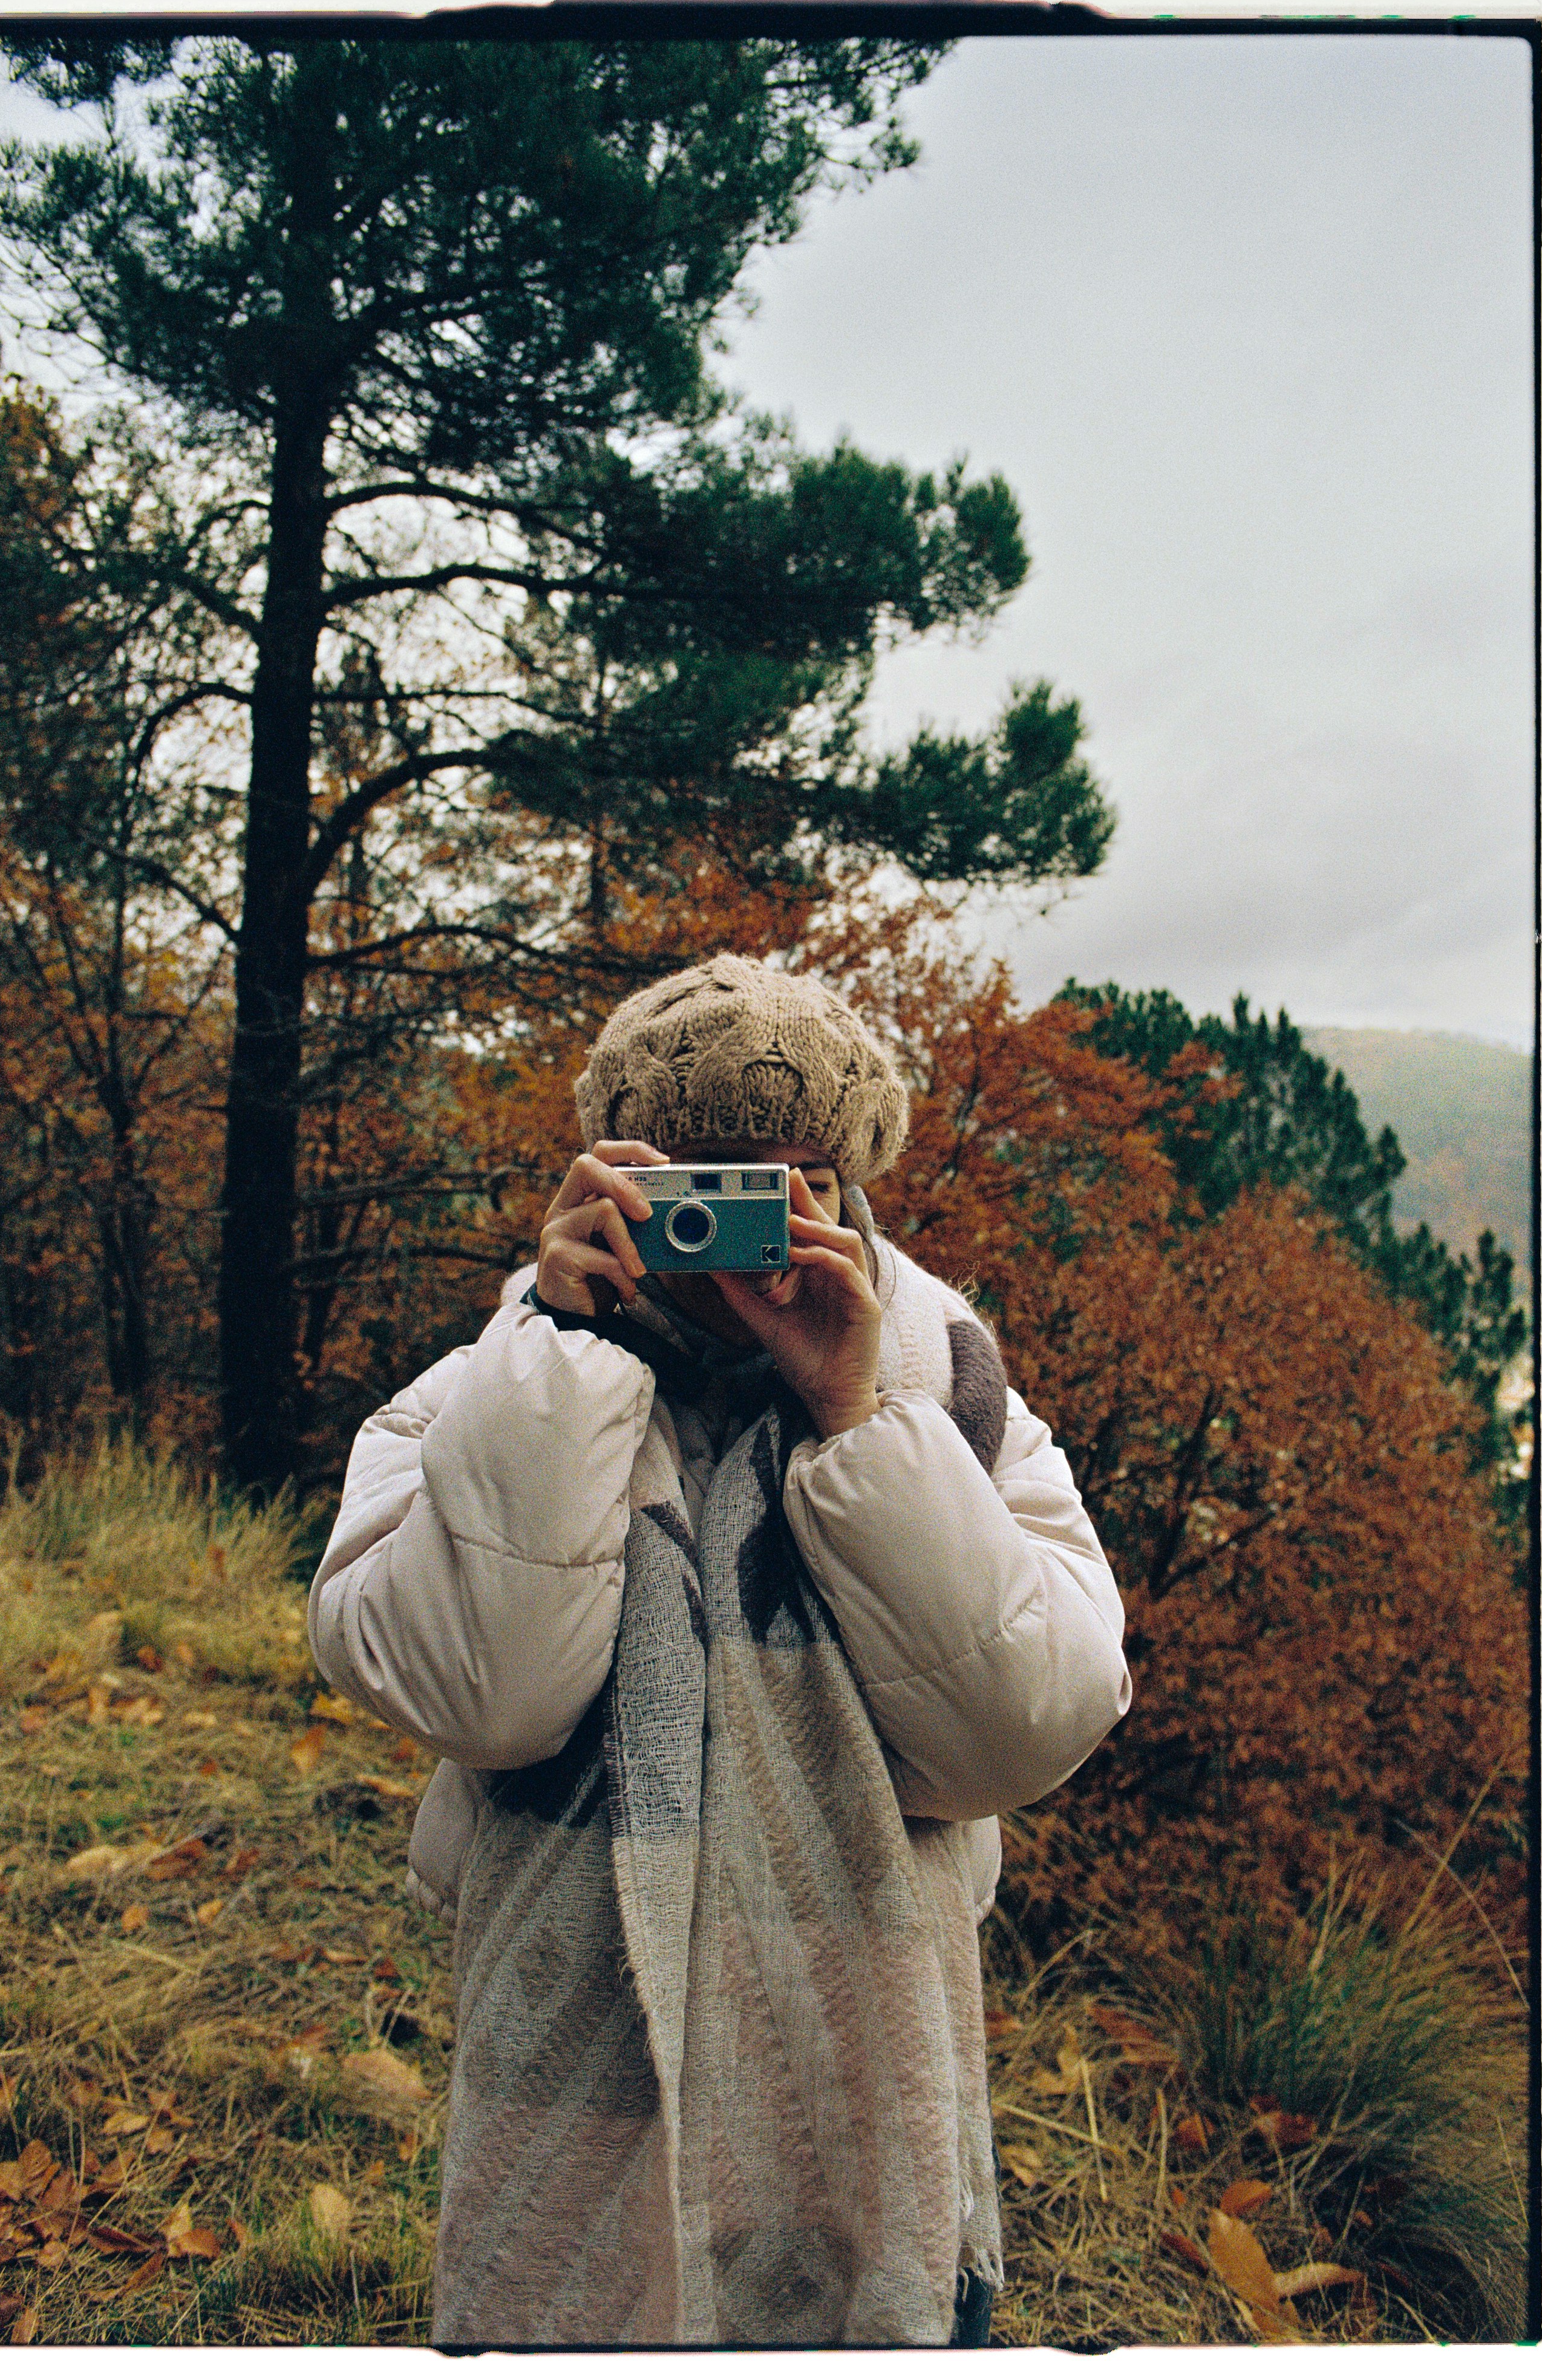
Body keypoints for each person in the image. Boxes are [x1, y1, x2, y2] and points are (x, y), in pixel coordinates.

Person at [309, 953, 1131, 2348]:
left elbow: (1026, 1728)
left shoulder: (953, 1389)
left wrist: (860, 1419)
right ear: (617, 1171)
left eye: (788, 1178)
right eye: (701, 1176)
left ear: (851, 1180)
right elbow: (481, 1694)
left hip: (855, 2070)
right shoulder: (486, 1392)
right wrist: (559, 1368)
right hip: (576, 2061)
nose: (740, 1222)